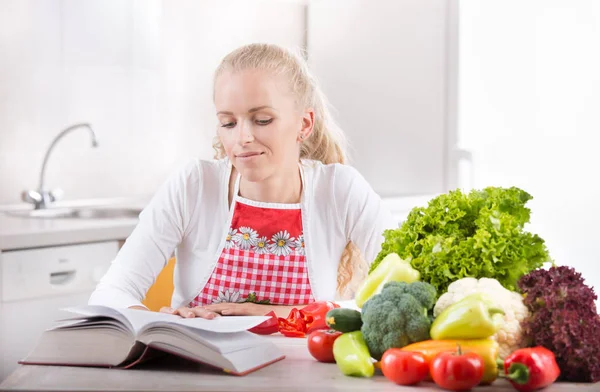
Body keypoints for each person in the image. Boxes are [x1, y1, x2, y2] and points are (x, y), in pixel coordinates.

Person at [88, 43, 397, 319]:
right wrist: (161, 322)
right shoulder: (194, 185)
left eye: (262, 120)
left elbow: (404, 296)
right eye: (229, 123)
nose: (242, 138)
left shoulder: (340, 190)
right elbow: (109, 295)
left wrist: (283, 314)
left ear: (304, 124)